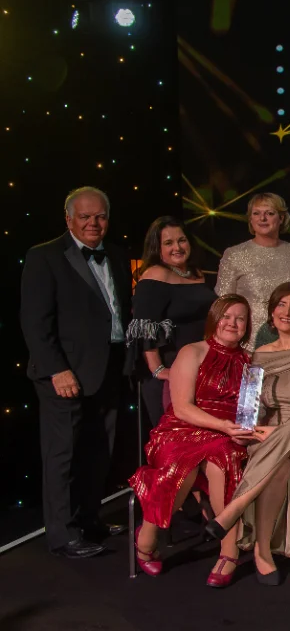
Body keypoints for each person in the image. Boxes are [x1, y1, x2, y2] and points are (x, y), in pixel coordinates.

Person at [21, 186, 131, 558]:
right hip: (64, 375)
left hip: (108, 369)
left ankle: (89, 519)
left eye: (100, 216)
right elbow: (35, 322)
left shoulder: (116, 255)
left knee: (99, 451)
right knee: (63, 454)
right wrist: (57, 369)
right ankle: (62, 534)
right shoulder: (45, 256)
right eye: (84, 216)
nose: (93, 223)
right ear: (68, 219)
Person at [204, 282, 290, 584]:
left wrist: (281, 429)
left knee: (285, 438)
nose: (287, 312)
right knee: (278, 466)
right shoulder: (259, 354)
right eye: (281, 305)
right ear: (272, 312)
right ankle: (263, 552)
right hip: (268, 438)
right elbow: (251, 407)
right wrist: (247, 429)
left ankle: (231, 511)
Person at [129, 295, 257, 586]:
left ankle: (229, 551)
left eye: (240, 318)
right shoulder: (192, 351)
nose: (232, 323)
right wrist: (222, 426)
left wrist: (244, 431)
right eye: (226, 316)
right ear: (214, 319)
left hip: (226, 434)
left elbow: (248, 413)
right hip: (182, 428)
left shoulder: (250, 361)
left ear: (247, 325)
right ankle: (146, 539)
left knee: (226, 460)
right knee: (180, 468)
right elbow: (183, 407)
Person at [127, 216, 216, 425]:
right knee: (173, 435)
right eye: (168, 243)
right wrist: (158, 370)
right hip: (169, 370)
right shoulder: (155, 275)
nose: (177, 247)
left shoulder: (197, 273)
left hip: (199, 367)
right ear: (157, 248)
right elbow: (143, 328)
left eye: (181, 240)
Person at [215, 192, 290, 349]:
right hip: (247, 344)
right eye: (256, 213)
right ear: (250, 219)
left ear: (281, 218)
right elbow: (223, 303)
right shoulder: (234, 255)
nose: (262, 218)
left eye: (269, 213)